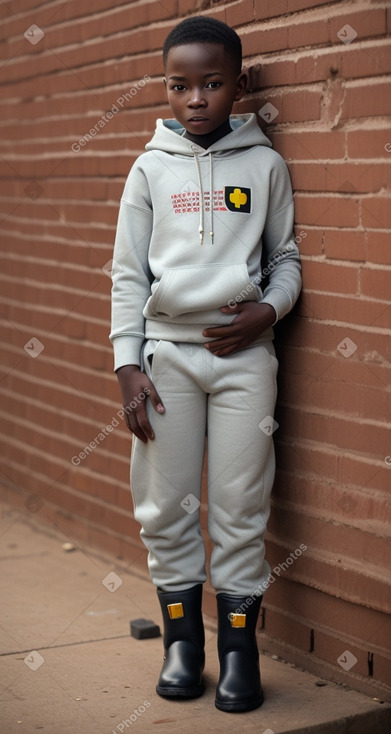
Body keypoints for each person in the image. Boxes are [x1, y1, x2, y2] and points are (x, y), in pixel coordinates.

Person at [110, 15, 301, 713]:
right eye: (180, 85)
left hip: (246, 360)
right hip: (166, 364)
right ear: (165, 89)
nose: (195, 98)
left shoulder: (264, 164)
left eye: (212, 83)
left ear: (238, 85)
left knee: (240, 509)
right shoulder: (148, 169)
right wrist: (127, 363)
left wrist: (269, 311)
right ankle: (182, 645)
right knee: (163, 507)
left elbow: (284, 260)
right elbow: (128, 275)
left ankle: (239, 651)